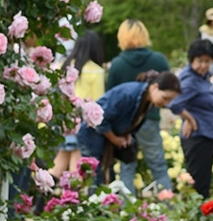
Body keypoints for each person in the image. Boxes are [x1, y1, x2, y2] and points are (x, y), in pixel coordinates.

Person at [76, 71, 182, 188]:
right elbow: (101, 121)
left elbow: (128, 122)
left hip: (103, 140)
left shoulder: (146, 101)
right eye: (165, 98)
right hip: (91, 136)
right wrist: (115, 139)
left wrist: (127, 135)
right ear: (154, 87)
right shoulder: (128, 94)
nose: (167, 103)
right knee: (97, 178)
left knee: (107, 179)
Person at [104, 20, 173, 194]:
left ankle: (128, 213)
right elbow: (171, 87)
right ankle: (170, 208)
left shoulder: (117, 64)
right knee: (158, 166)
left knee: (127, 167)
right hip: (149, 119)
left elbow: (109, 96)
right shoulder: (158, 59)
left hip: (124, 126)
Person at [169, 39, 213, 198]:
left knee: (203, 181)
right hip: (197, 136)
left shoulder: (202, 77)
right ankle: (196, 217)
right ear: (191, 59)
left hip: (207, 133)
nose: (203, 65)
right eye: (200, 61)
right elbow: (174, 104)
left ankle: (202, 215)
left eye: (207, 61)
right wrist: (190, 119)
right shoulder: (190, 80)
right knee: (198, 184)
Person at [53, 31, 108, 178]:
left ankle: (42, 197)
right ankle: (70, 199)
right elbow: (98, 101)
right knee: (75, 169)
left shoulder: (61, 66)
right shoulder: (96, 70)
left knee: (59, 163)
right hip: (82, 124)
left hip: (61, 121)